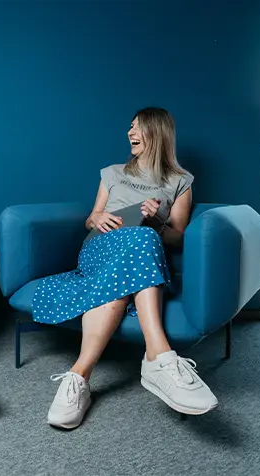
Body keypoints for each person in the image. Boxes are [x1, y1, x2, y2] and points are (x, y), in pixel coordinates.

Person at [32, 107, 218, 429]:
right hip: (99, 250)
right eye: (130, 127)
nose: (130, 133)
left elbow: (176, 237)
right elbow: (91, 218)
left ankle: (78, 376)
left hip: (141, 252)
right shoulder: (113, 172)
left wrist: (159, 221)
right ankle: (159, 357)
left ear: (157, 133)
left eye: (138, 128)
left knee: (140, 244)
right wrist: (96, 218)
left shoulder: (180, 181)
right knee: (140, 241)